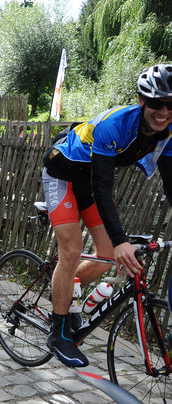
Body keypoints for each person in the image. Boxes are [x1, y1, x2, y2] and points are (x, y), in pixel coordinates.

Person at [42, 63, 172, 367]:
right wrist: (121, 240)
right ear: (141, 101)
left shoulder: (166, 133)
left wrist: (116, 245)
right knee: (72, 250)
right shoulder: (114, 124)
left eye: (170, 105)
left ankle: (66, 285)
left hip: (87, 183)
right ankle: (58, 332)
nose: (164, 112)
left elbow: (171, 183)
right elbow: (103, 187)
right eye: (156, 103)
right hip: (62, 173)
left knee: (105, 254)